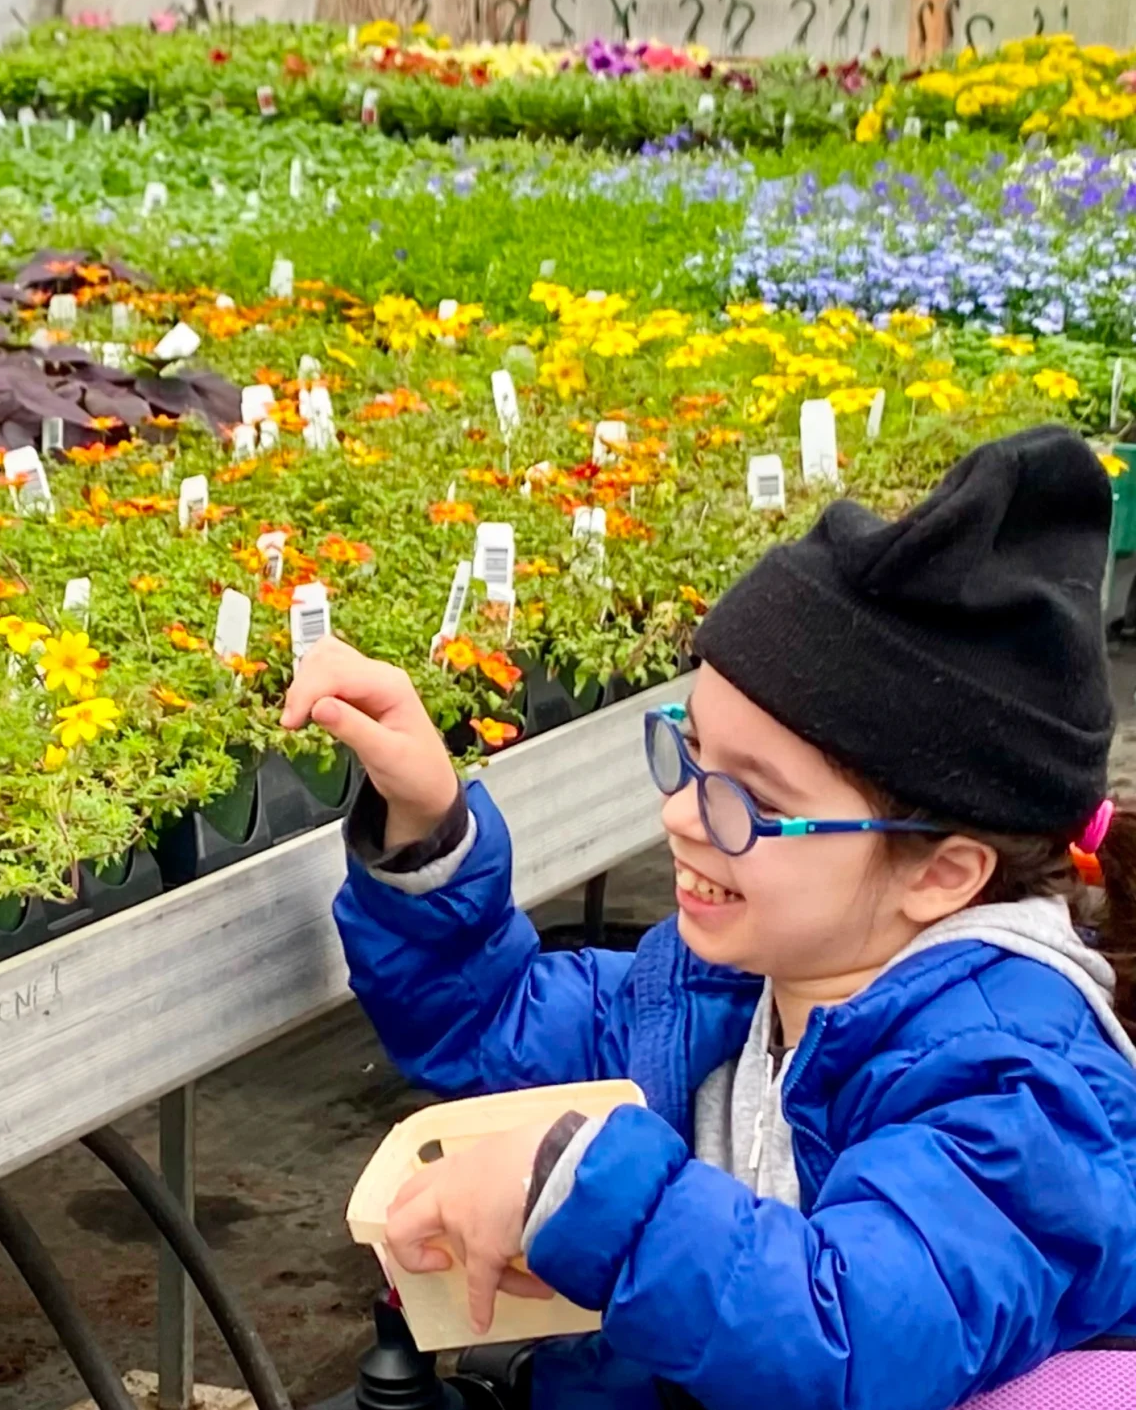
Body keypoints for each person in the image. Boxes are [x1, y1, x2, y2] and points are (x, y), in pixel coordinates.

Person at [288, 425, 1136, 1410]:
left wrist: (579, 1188)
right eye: (687, 753)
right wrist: (426, 826)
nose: (681, 814)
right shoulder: (730, 985)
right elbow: (492, 1025)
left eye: (753, 800)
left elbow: (850, 1335)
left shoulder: (1014, 1079)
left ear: (941, 870)